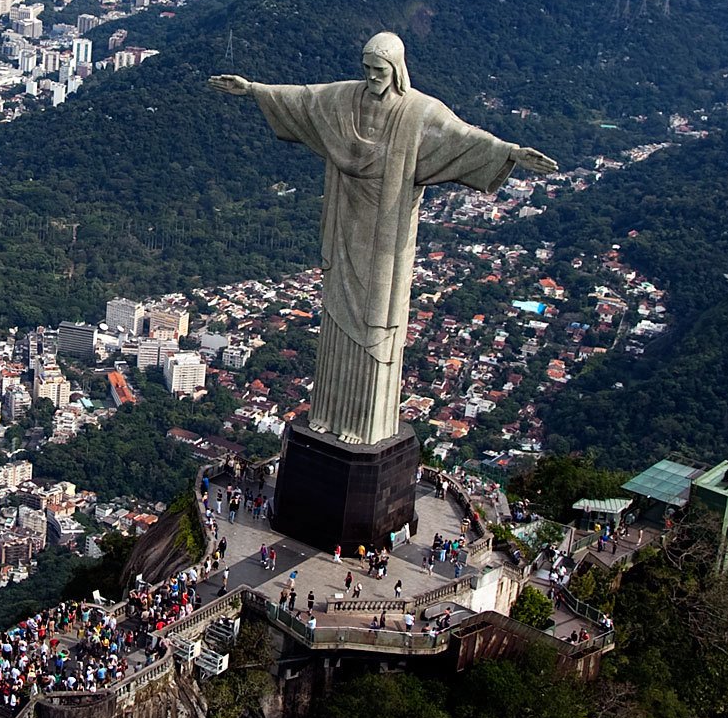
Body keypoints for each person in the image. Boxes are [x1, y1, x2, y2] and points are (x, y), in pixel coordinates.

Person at [211, 36, 555, 444]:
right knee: (337, 317)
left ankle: (364, 423)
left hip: (386, 235)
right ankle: (328, 415)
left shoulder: (418, 112)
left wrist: (511, 152)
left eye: (381, 70)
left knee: (376, 321)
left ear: (398, 70)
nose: (373, 77)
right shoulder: (344, 100)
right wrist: (251, 89)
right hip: (345, 224)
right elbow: (302, 99)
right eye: (368, 68)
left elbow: (464, 137)